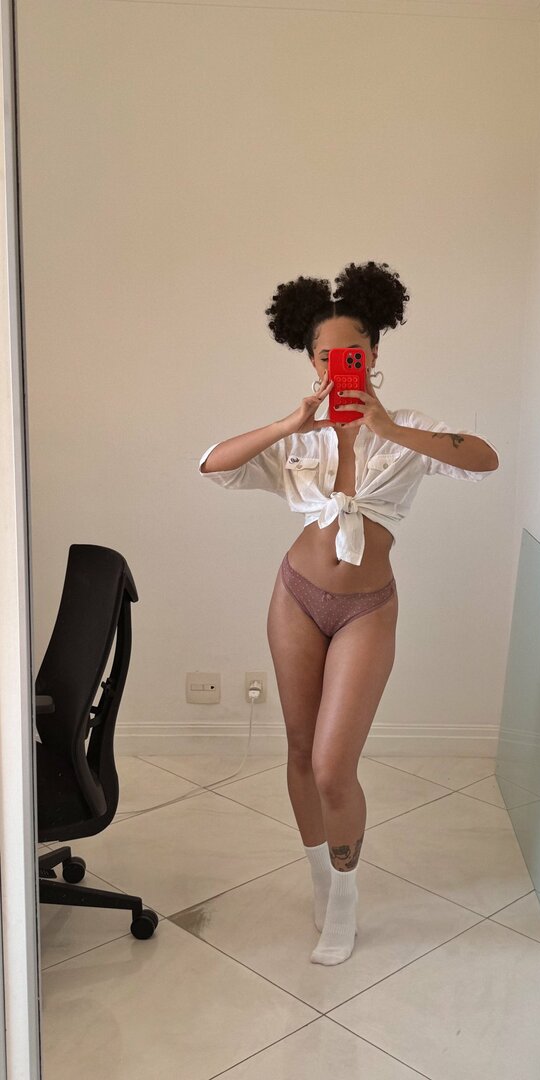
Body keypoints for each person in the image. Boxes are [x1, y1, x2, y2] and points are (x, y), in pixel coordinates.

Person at [199, 260, 499, 965]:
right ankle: (320, 881)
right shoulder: (298, 436)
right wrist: (290, 421)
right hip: (295, 598)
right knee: (300, 752)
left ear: (373, 353)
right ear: (312, 362)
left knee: (335, 766)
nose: (341, 367)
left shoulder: (407, 427)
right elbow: (212, 464)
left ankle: (346, 894)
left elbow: (483, 460)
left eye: (353, 354)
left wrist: (387, 426)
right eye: (327, 357)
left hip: (366, 607)